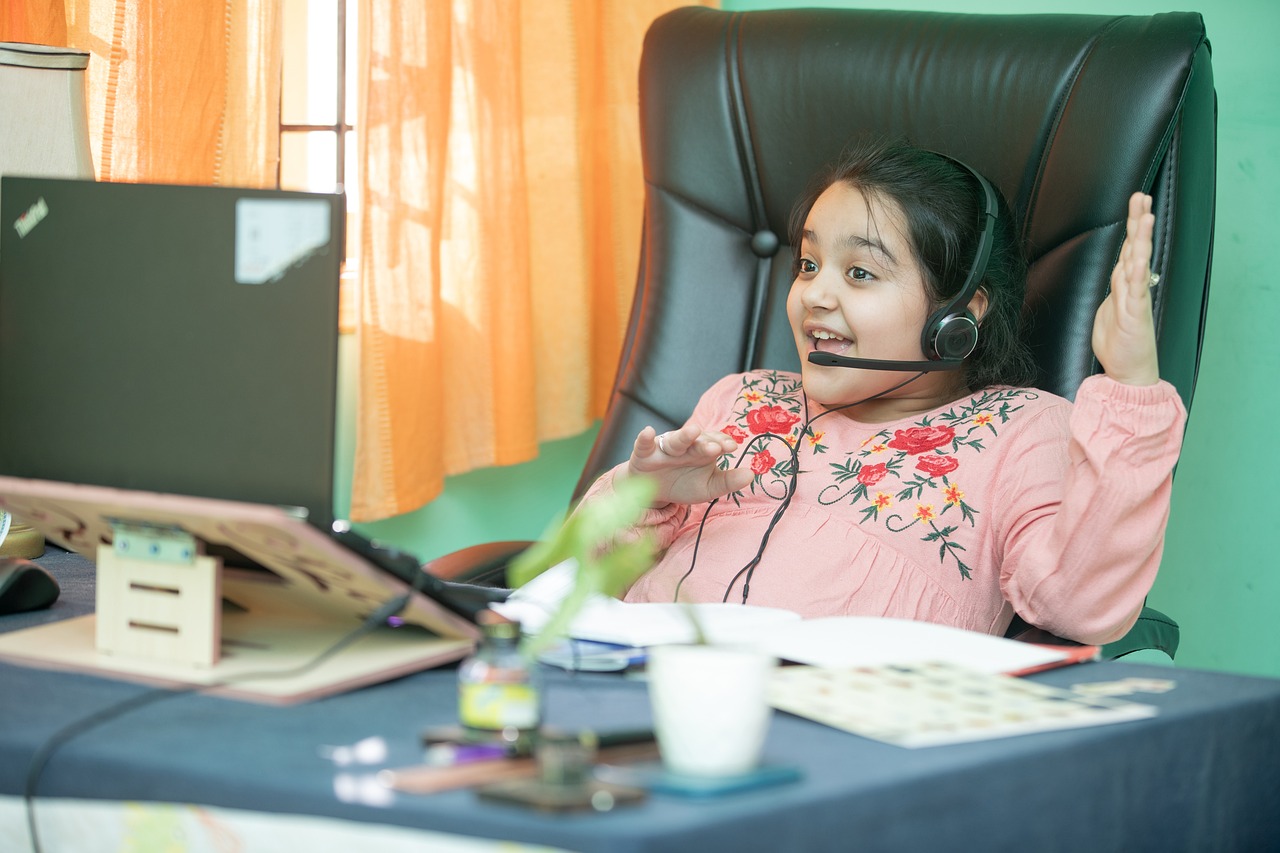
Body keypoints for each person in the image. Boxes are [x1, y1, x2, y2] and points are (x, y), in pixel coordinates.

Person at [578, 139, 1186, 646]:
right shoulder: (742, 397)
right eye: (809, 264)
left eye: (860, 272)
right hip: (638, 689)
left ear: (959, 314)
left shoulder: (1023, 427)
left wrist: (1130, 385)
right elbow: (582, 578)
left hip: (831, 728)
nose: (815, 295)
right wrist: (641, 497)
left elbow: (1081, 606)